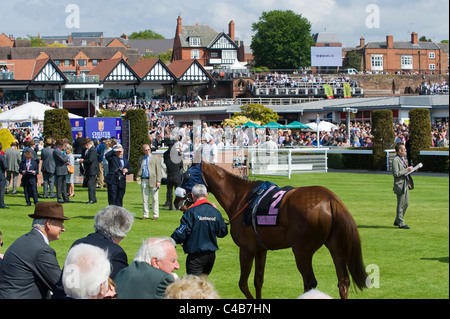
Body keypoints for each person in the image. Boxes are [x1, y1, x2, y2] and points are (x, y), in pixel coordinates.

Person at [52, 205, 134, 299]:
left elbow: (67, 284)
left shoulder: (79, 243)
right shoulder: (116, 252)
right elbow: (118, 289)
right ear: (122, 233)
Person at [0, 202, 69, 299]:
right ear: (48, 223)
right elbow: (62, 286)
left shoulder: (25, 240)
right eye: (61, 223)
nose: (63, 229)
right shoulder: (41, 250)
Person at [171, 184, 228, 276]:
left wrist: (171, 240)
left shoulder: (190, 212)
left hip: (196, 256)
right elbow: (222, 232)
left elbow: (182, 233)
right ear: (206, 195)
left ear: (192, 195)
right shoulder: (215, 211)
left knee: (194, 286)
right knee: (203, 285)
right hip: (211, 256)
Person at [114, 237, 179, 299]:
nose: (177, 266)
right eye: (173, 261)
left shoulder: (121, 273)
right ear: (155, 262)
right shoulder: (162, 280)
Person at [136, 144, 162, 219]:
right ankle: (145, 214)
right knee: (145, 199)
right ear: (143, 151)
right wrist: (138, 177)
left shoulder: (155, 158)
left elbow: (158, 171)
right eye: (146, 150)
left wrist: (158, 181)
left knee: (155, 199)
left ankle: (155, 215)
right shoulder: (141, 159)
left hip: (153, 180)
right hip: (144, 179)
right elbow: (139, 169)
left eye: (148, 149)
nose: (147, 151)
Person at [392, 142, 413, 229]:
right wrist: (406, 170)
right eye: (404, 149)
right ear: (399, 150)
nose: (405, 150)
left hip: (406, 183)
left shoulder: (402, 158)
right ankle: (401, 223)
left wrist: (410, 170)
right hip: (400, 185)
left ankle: (397, 220)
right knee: (400, 204)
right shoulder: (395, 160)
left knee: (406, 203)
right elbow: (396, 173)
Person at [163, 140, 183, 211]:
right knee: (178, 192)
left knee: (169, 191)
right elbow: (181, 165)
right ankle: (178, 205)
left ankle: (170, 205)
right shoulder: (178, 154)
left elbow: (165, 163)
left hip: (170, 174)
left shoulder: (165, 154)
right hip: (177, 174)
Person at [79, 138, 99, 204]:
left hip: (92, 169)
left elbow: (90, 160)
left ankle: (92, 199)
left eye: (84, 145)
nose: (84, 147)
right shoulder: (88, 150)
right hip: (89, 169)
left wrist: (83, 160)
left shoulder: (92, 150)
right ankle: (93, 198)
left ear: (87, 144)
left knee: (91, 185)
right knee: (91, 185)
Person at [54, 139, 71, 204]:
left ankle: (65, 198)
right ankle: (59, 198)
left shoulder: (60, 151)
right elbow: (63, 159)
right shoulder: (56, 151)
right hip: (59, 169)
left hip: (63, 169)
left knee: (64, 185)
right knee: (59, 185)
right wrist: (66, 157)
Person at [0, 143, 7, 209]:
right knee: (1, 191)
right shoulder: (2, 156)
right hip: (1, 175)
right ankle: (1, 204)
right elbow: (5, 166)